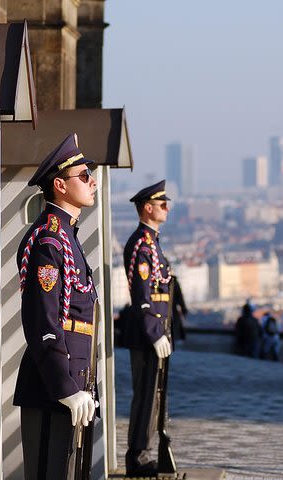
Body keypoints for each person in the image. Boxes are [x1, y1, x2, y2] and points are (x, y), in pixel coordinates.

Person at [13, 133, 98, 479]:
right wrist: (64, 387)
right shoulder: (49, 240)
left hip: (74, 380)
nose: (91, 182)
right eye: (83, 176)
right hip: (54, 386)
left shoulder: (67, 236)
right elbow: (44, 320)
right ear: (60, 185)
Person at [121, 180, 174, 477]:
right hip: (145, 334)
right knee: (145, 394)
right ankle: (137, 456)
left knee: (155, 395)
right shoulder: (141, 243)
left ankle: (144, 451)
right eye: (161, 203)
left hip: (155, 331)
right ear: (147, 208)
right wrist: (155, 333)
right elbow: (142, 296)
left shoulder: (152, 242)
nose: (167, 207)